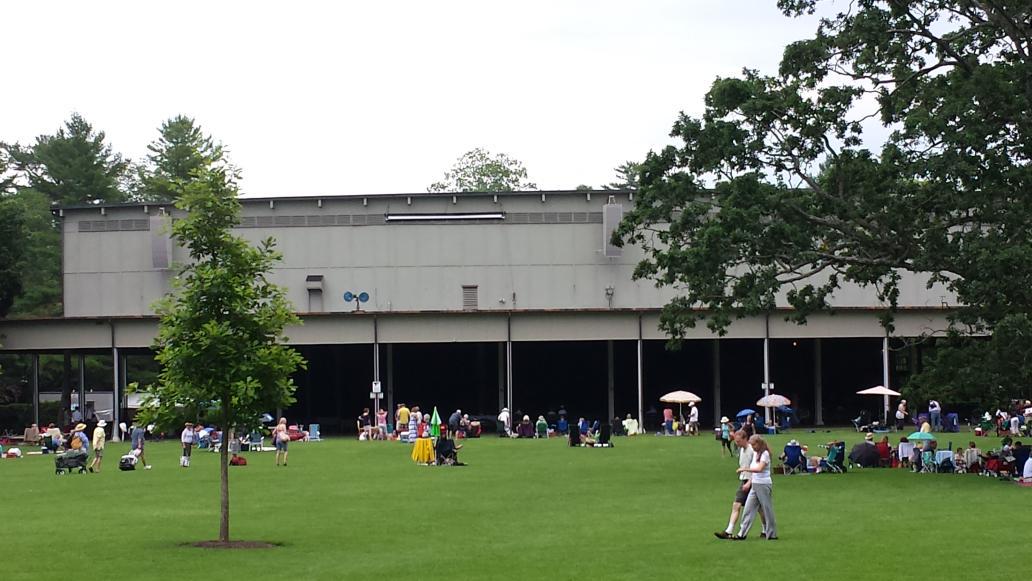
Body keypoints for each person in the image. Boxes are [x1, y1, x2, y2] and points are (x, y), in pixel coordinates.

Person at [715, 431, 765, 539]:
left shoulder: (752, 451)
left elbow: (756, 469)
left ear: (745, 439)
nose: (736, 443)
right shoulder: (742, 450)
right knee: (736, 505)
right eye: (736, 441)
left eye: (738, 441)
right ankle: (729, 531)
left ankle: (765, 530)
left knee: (760, 508)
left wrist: (749, 482)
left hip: (752, 482)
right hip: (744, 480)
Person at [735, 434, 778, 540]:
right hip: (755, 484)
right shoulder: (755, 453)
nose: (753, 447)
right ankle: (741, 534)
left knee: (767, 509)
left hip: (763, 484)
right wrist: (750, 482)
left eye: (754, 445)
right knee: (748, 509)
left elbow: (759, 469)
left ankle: (771, 534)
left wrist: (744, 469)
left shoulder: (765, 454)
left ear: (759, 444)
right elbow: (754, 470)